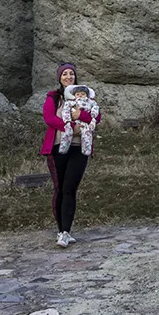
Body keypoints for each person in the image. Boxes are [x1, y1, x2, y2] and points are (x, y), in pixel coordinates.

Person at [41, 63, 100, 247]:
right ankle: (61, 230)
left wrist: (80, 115)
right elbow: (49, 118)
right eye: (65, 74)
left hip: (80, 148)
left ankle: (66, 231)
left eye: (71, 74)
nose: (68, 77)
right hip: (58, 147)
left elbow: (96, 117)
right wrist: (70, 127)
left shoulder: (85, 96)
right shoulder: (54, 97)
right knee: (60, 188)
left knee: (70, 187)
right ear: (59, 77)